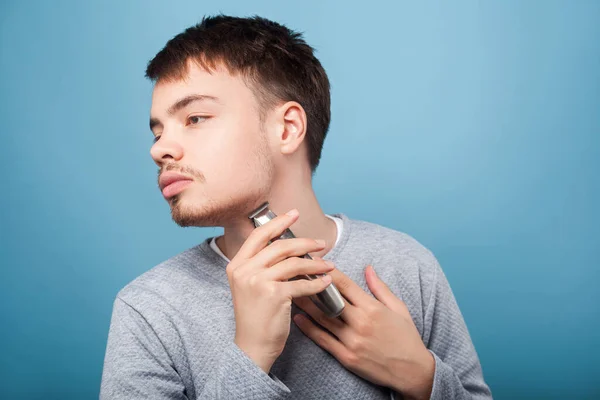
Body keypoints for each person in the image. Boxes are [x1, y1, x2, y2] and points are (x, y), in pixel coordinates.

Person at [100, 15, 492, 400]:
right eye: (157, 131)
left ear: (287, 128)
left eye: (195, 118)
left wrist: (421, 377)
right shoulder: (149, 309)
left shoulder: (407, 265)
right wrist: (249, 356)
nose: (159, 149)